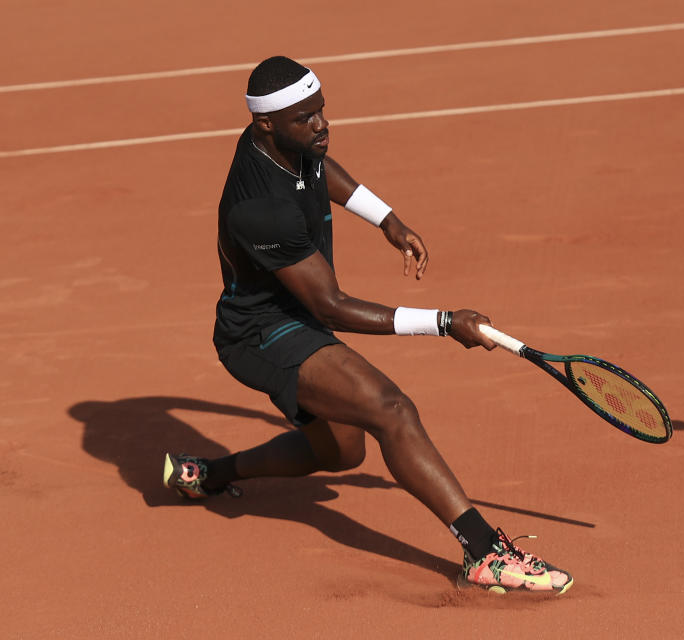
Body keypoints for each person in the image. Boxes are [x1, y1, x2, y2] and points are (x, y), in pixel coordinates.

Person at [162, 56, 572, 595]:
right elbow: (331, 306)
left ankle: (209, 475)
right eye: (306, 118)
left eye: (321, 111)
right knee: (391, 409)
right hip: (261, 332)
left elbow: (318, 166)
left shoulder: (284, 142)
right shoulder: (260, 208)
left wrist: (388, 220)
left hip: (297, 313)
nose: (322, 125)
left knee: (341, 453)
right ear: (266, 124)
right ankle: (485, 553)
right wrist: (445, 322)